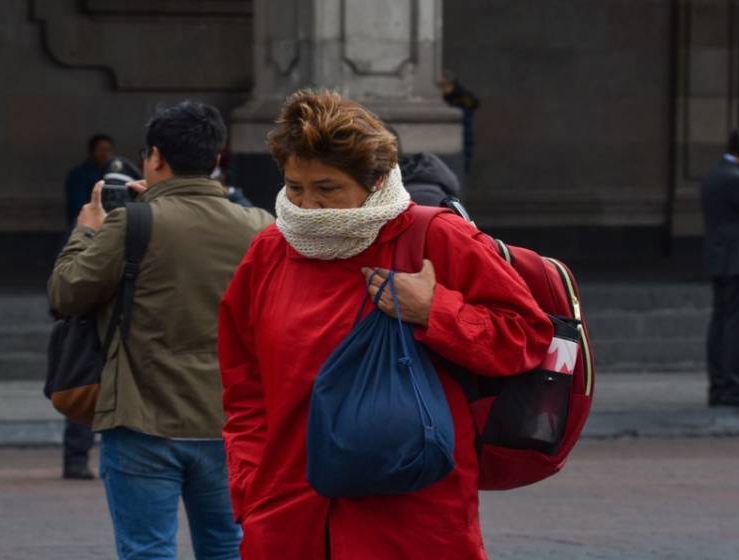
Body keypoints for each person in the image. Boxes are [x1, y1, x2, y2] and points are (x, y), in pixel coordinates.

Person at [218, 90, 552, 559]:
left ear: (374, 181)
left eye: (327, 188)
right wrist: (251, 486)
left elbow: (525, 337)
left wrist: (435, 312)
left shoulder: (434, 234)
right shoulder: (270, 250)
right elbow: (243, 382)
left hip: (411, 515)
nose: (307, 206)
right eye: (295, 186)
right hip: (289, 515)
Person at [48, 101, 273, 559]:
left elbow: (66, 294)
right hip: (229, 421)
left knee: (147, 550)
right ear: (217, 157)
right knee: (227, 547)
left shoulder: (132, 222)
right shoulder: (260, 226)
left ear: (155, 157)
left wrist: (86, 232)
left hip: (141, 418)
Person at [60, 133, 115, 480]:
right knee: (84, 391)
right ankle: (76, 458)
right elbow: (66, 287)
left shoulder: (133, 228)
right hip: (93, 326)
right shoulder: (89, 226)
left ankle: (82, 457)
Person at [701, 125, 739, 413]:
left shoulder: (715, 175)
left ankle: (721, 385)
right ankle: (735, 386)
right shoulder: (736, 180)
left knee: (722, 324)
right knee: (738, 327)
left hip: (723, 261)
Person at [65, 134, 115, 227]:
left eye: (108, 150)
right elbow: (78, 207)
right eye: (101, 150)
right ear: (91, 151)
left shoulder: (114, 175)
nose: (105, 154)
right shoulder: (79, 174)